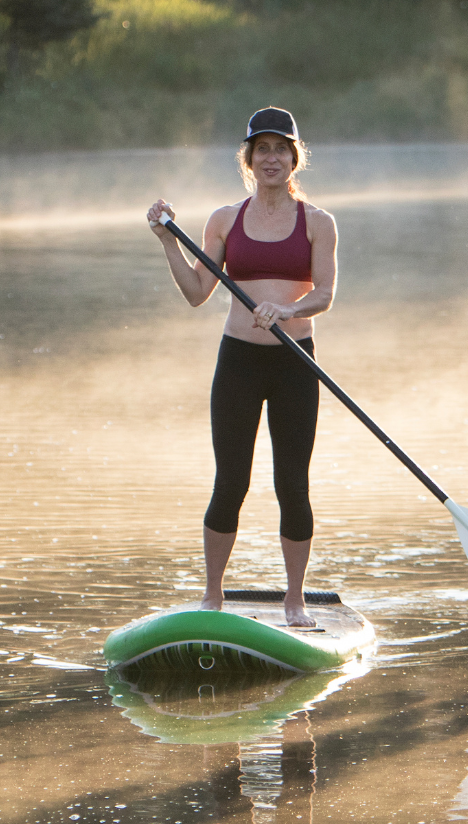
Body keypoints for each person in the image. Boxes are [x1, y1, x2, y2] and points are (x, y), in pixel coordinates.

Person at [145, 107, 338, 628]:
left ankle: (294, 601)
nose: (271, 158)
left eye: (281, 149)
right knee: (230, 480)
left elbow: (324, 294)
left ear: (294, 159)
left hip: (296, 361)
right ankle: (213, 595)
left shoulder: (318, 223)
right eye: (262, 150)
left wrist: (289, 309)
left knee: (291, 484)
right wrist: (168, 241)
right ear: (248, 159)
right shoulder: (224, 220)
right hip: (239, 362)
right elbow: (195, 293)